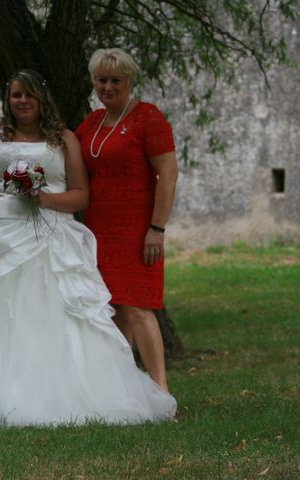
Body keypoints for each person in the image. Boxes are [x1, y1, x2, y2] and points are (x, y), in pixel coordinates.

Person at [0, 69, 177, 427]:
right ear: (8, 98)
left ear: (41, 98)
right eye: (16, 95)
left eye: (30, 94)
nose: (23, 101)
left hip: (50, 235)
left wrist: (44, 197)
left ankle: (69, 393)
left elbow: (82, 194)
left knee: (53, 313)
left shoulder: (64, 139)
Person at [75, 48, 179, 394]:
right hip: (98, 229)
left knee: (138, 307)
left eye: (115, 80)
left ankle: (161, 389)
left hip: (138, 230)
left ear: (130, 81)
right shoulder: (92, 123)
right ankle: (123, 391)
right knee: (114, 308)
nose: (107, 87)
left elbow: (169, 173)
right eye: (101, 80)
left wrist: (157, 228)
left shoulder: (147, 118)